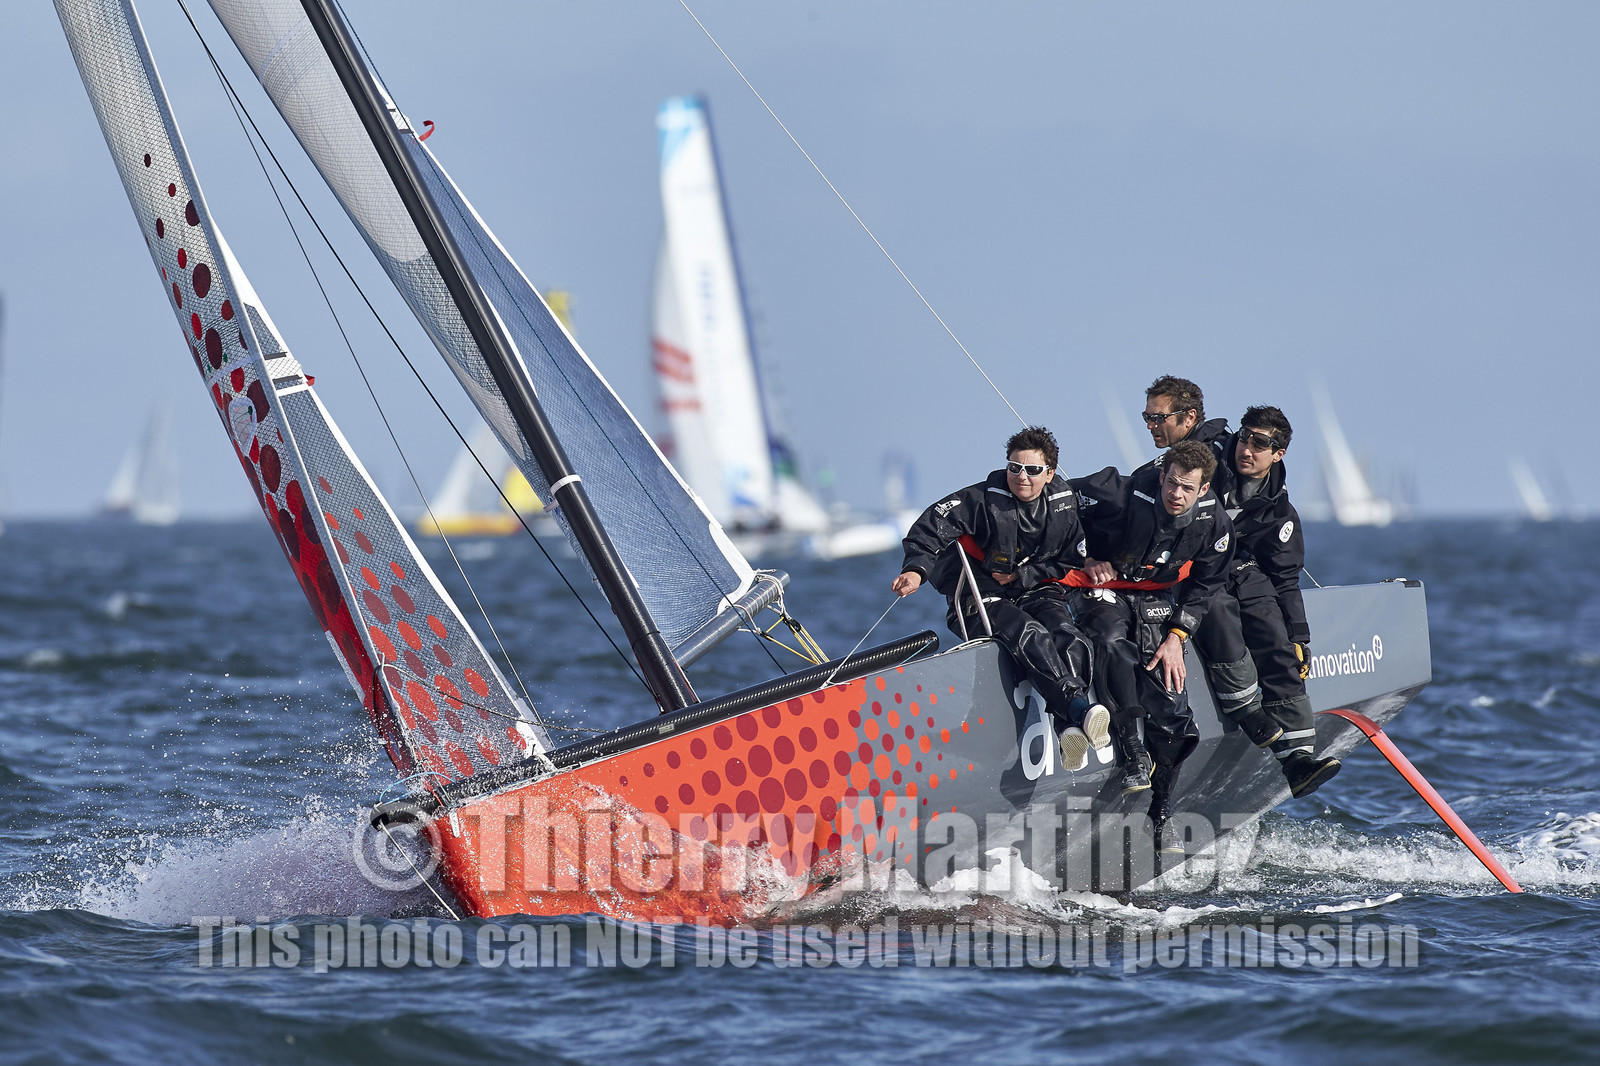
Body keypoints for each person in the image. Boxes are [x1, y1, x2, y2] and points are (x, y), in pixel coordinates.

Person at [893, 427, 1109, 767]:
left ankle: (1069, 729)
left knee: (1070, 638)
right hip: (980, 599)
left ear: (1050, 473)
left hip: (1035, 589)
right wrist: (916, 571)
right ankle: (1079, 710)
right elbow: (930, 527)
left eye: (1032, 470)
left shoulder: (1063, 506)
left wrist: (1024, 575)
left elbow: (1068, 561)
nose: (1022, 477)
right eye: (1014, 467)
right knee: (1029, 632)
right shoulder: (980, 500)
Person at [1069, 440, 1233, 797]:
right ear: (1161, 477)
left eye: (1187, 487)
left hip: (1154, 592)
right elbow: (1054, 501)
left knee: (1168, 690)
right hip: (1101, 586)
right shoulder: (1115, 493)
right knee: (1110, 640)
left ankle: (1162, 803)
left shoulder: (1214, 522)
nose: (1176, 494)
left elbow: (1208, 582)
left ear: (1204, 489)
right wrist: (1085, 558)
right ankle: (1132, 751)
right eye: (1171, 482)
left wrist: (1177, 635)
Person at [1133, 375, 1283, 760]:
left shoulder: (1214, 467)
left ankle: (1247, 708)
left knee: (1217, 602)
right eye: (1147, 417)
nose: (1150, 425)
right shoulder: (1147, 477)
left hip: (1201, 576)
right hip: (1146, 579)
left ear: (1189, 418)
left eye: (1158, 417)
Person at [1207, 406, 1340, 798]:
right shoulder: (1206, 462)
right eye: (1244, 438)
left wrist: (1299, 636)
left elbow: (1285, 579)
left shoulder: (1279, 510)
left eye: (1259, 443)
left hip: (1234, 571)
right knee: (1219, 610)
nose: (1246, 449)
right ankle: (1247, 710)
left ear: (1278, 453)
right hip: (1188, 569)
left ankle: (1298, 760)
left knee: (1270, 622)